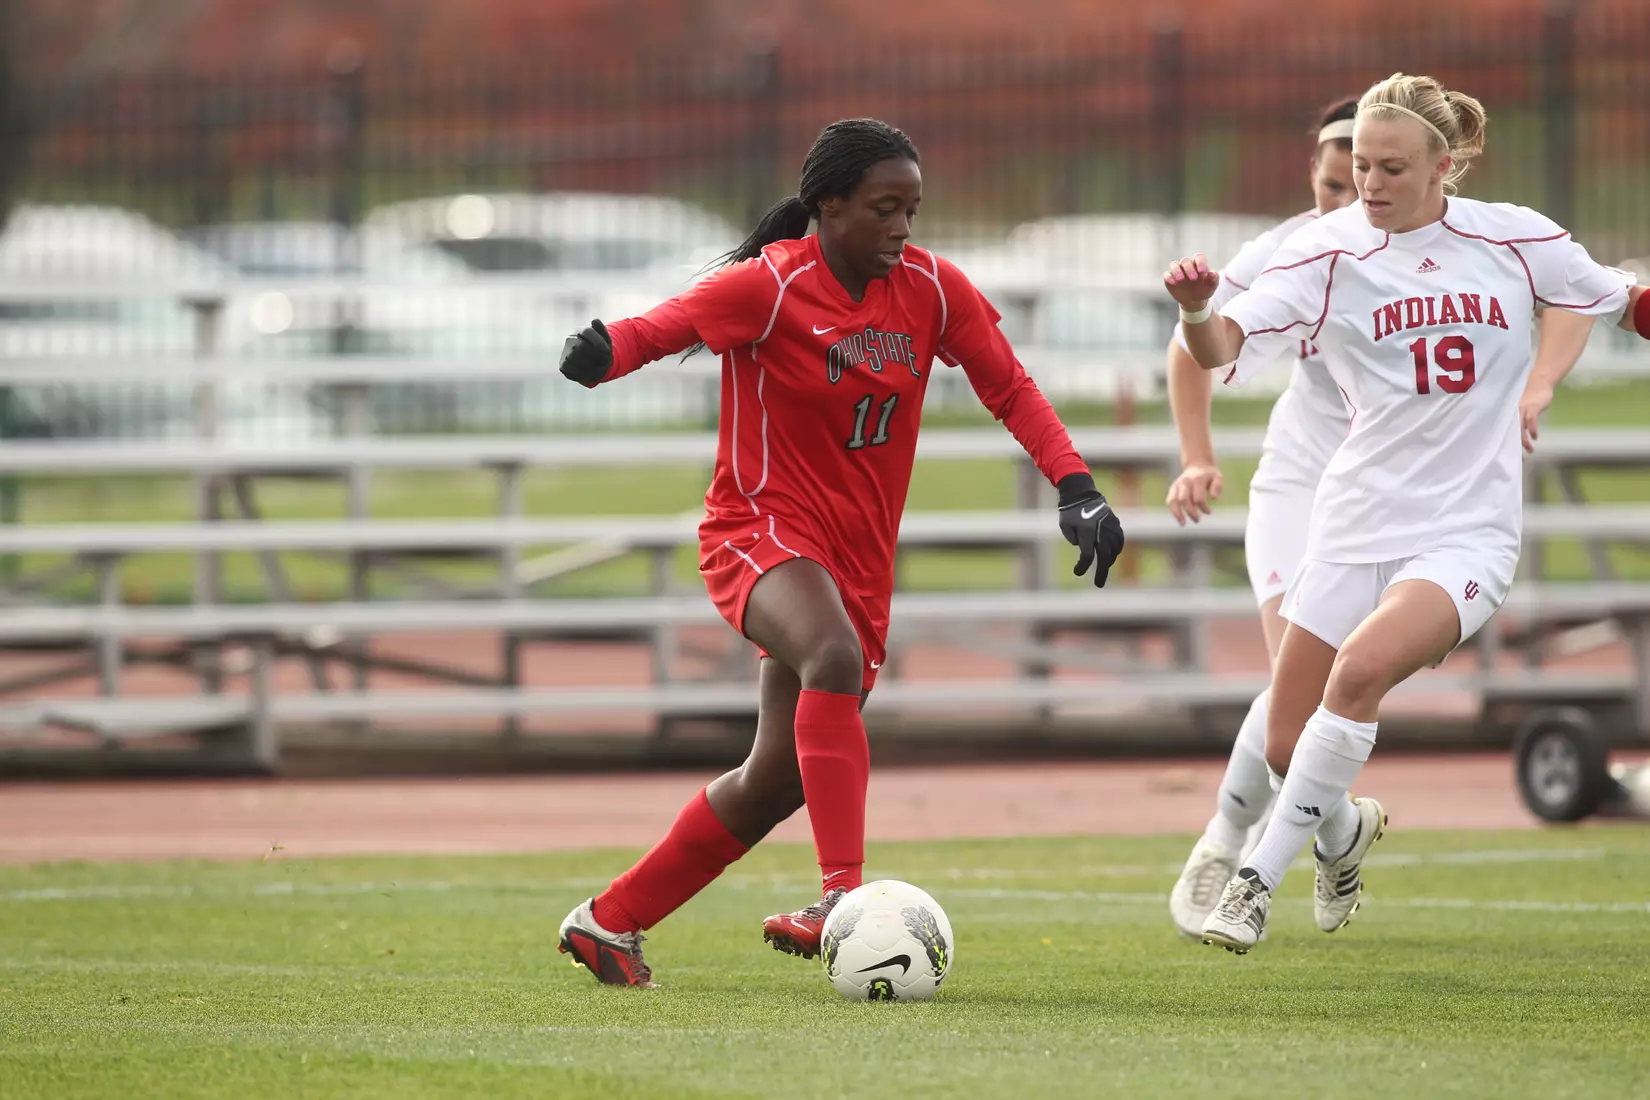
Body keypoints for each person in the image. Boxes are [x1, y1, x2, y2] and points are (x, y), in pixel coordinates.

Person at [553, 118, 1127, 985]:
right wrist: (605, 352)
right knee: (829, 654)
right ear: (827, 206)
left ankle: (610, 920)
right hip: (756, 529)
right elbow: (662, 327)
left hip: (856, 561)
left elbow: (1008, 385)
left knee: (775, 780)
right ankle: (844, 900)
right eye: (884, 207)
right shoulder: (770, 287)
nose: (903, 227)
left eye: (913, 209)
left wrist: (1076, 485)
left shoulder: (933, 290)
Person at [1163, 73, 1648, 954]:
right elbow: (1220, 345)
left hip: (1465, 531)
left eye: (1390, 168)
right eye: (1359, 166)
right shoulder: (1324, 252)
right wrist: (1199, 310)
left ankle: (1249, 884)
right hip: (1352, 520)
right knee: (1284, 738)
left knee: (1357, 676)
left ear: (1445, 167)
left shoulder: (1514, 237)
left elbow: (1619, 298)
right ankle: (1341, 840)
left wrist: (1552, 373)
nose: (1369, 185)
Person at [1165, 95, 1360, 939]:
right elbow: (1192, 343)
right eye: (1330, 186)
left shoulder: (1455, 253)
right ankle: (1237, 837)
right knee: (1295, 690)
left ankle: (1329, 830)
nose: (1346, 206)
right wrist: (1198, 457)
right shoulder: (1287, 251)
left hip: (1397, 506)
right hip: (1297, 488)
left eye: (1366, 184)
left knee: (1318, 699)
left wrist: (1528, 395)